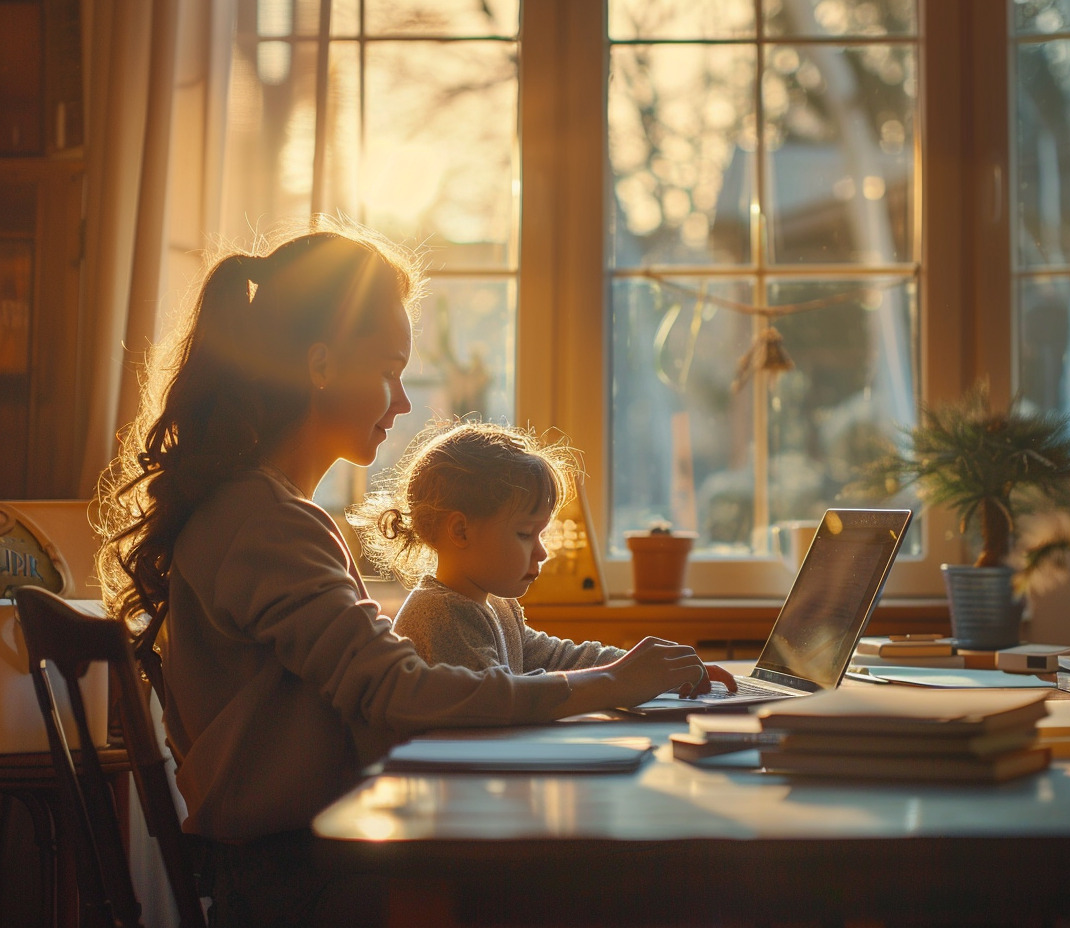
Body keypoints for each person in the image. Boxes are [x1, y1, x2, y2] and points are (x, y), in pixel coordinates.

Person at [93, 218, 716, 928]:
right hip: (295, 878)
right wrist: (611, 684)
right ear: (320, 364)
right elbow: (396, 692)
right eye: (389, 369)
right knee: (647, 882)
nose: (403, 400)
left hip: (305, 857)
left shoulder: (264, 511)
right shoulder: (262, 521)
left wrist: (617, 676)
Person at [348, 420, 736, 694]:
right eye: (524, 534)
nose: (542, 551)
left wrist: (650, 669)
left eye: (540, 533)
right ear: (461, 531)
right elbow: (501, 700)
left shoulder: (497, 606)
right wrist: (622, 680)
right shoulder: (441, 615)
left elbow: (559, 658)